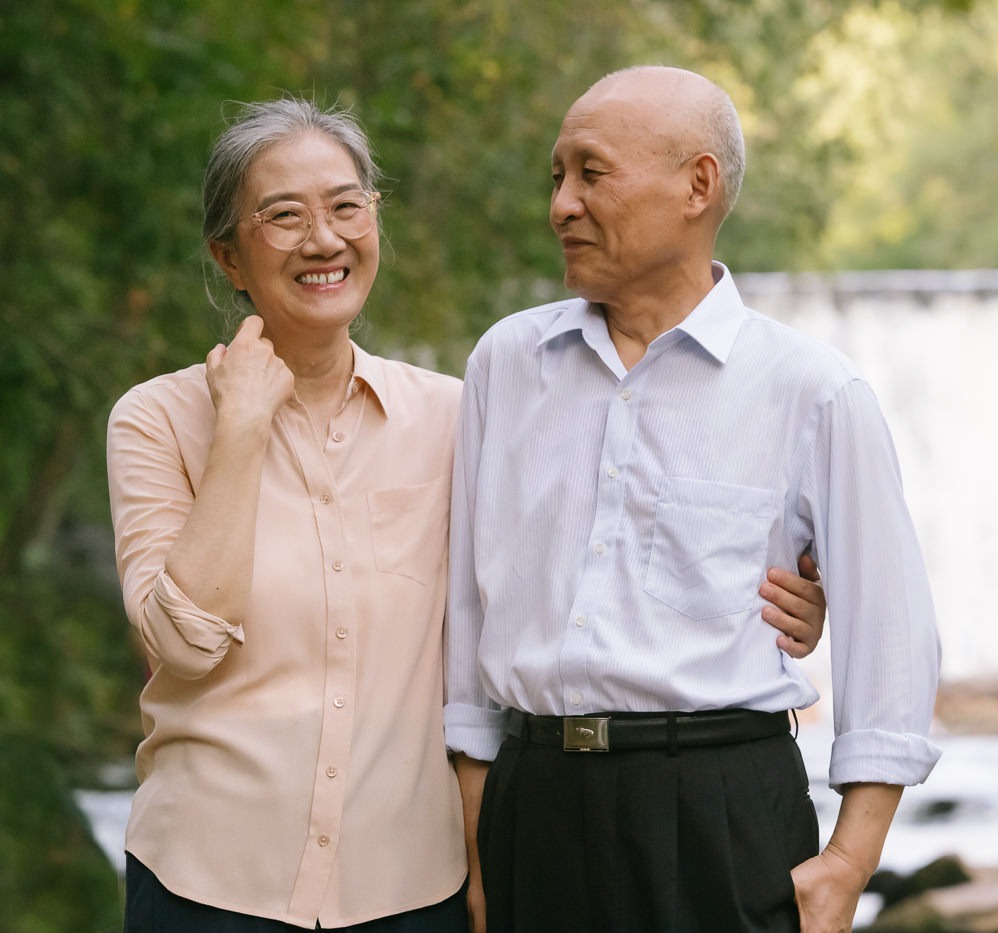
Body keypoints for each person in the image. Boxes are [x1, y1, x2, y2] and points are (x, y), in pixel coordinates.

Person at [106, 97, 828, 932]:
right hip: (207, 883)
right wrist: (238, 430)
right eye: (283, 217)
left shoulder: (458, 416)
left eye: (347, 206)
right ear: (229, 257)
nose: (324, 239)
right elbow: (185, 645)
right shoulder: (157, 420)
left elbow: (578, 563)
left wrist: (770, 598)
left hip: (411, 889)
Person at [445, 66, 941, 933]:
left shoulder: (812, 389)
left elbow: (891, 634)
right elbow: (467, 615)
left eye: (590, 173)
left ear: (697, 185)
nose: (561, 204)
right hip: (534, 808)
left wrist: (848, 863)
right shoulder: (505, 364)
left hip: (720, 813)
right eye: (556, 178)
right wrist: (478, 838)